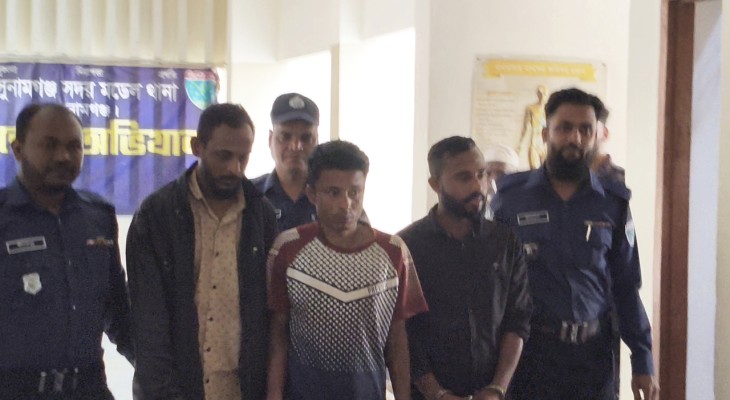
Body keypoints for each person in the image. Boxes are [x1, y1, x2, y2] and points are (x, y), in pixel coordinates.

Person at [491, 88, 660, 400]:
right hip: (529, 359)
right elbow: (492, 284)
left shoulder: (613, 204)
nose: (575, 138)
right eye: (565, 128)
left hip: (592, 360)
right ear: (546, 135)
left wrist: (643, 359)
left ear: (597, 135)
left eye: (585, 129)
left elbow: (626, 286)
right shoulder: (510, 199)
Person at [127, 103, 278, 400]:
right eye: (224, 156)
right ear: (197, 147)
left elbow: (267, 316)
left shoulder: (261, 215)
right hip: (175, 390)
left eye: (243, 157)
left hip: (241, 389)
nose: (235, 168)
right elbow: (147, 321)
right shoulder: (157, 214)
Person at [266, 140, 428, 400]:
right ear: (312, 194)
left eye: (355, 192)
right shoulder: (287, 249)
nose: (346, 204)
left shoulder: (393, 252)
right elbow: (278, 335)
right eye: (333, 192)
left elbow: (397, 339)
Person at [0, 103, 133, 399]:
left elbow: (117, 310)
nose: (63, 156)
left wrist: (155, 369)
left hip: (88, 388)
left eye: (74, 146)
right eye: (50, 145)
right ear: (18, 150)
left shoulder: (97, 216)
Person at [398, 136, 531, 400]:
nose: (478, 186)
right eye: (463, 177)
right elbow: (403, 333)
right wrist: (437, 393)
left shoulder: (505, 242)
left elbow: (518, 320)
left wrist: (497, 388)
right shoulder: (407, 246)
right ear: (435, 184)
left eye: (481, 174)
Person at [252, 93, 319, 231]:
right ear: (270, 140)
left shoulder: (331, 196)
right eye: (285, 136)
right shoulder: (249, 195)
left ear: (317, 141)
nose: (295, 146)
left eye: (306, 138)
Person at [517, 85, 549, 169]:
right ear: (537, 95)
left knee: (547, 169)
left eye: (544, 94)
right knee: (534, 169)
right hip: (535, 141)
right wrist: (520, 144)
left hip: (546, 143)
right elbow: (525, 127)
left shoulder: (550, 109)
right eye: (540, 94)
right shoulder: (531, 108)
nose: (542, 96)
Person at [591, 109, 626, 182]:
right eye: (568, 128)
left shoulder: (622, 179)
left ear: (605, 133)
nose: (576, 137)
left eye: (588, 129)